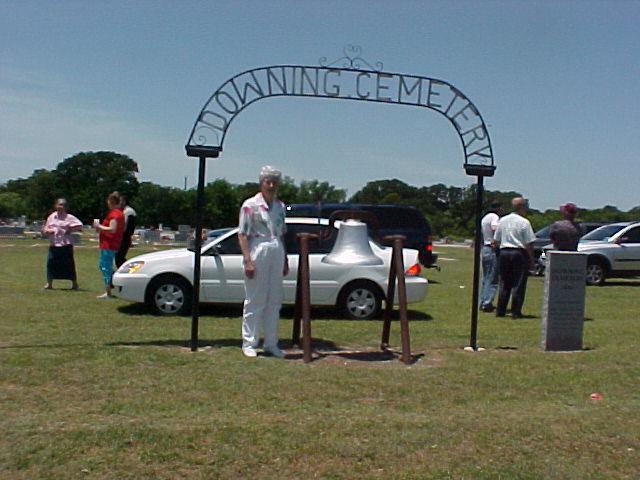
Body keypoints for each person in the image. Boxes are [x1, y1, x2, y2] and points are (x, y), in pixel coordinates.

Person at [238, 166, 289, 358]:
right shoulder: (250, 205)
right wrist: (248, 260)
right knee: (255, 299)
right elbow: (242, 234)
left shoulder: (280, 206)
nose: (271, 184)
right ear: (261, 183)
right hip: (258, 248)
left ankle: (271, 343)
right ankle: (249, 342)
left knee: (274, 300)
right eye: (268, 181)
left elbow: (282, 234)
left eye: (274, 181)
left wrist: (284, 260)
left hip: (276, 248)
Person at [494, 197, 536, 319]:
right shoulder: (524, 222)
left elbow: (496, 240)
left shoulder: (502, 220)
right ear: (522, 207)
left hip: (504, 251)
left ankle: (500, 310)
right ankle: (515, 311)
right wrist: (531, 260)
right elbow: (529, 243)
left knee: (504, 282)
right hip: (518, 252)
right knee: (519, 283)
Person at [42, 198, 83, 290]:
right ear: (55, 205)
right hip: (54, 244)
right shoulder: (51, 217)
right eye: (59, 204)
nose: (61, 207)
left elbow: (80, 225)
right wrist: (49, 231)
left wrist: (69, 229)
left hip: (66, 245)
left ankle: (74, 284)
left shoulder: (69, 217)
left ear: (66, 207)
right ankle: (49, 284)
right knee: (51, 263)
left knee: (69, 264)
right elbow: (45, 229)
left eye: (63, 205)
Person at [93, 191, 125, 299]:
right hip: (110, 244)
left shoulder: (115, 214)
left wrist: (99, 226)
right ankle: (112, 286)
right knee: (105, 266)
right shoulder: (119, 213)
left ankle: (108, 292)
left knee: (105, 267)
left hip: (109, 244)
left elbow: (112, 229)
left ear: (111, 201)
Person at [479, 202, 502, 312]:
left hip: (485, 248)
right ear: (498, 209)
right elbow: (494, 228)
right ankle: (487, 302)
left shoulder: (484, 218)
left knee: (485, 277)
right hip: (492, 248)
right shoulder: (494, 217)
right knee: (493, 277)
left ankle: (482, 300)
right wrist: (498, 238)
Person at [115, 195, 137, 268]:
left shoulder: (128, 211)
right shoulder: (126, 211)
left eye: (120, 201)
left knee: (119, 257)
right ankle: (129, 270)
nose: (119, 203)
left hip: (125, 238)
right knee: (119, 257)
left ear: (124, 201)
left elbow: (124, 226)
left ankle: (130, 270)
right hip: (124, 237)